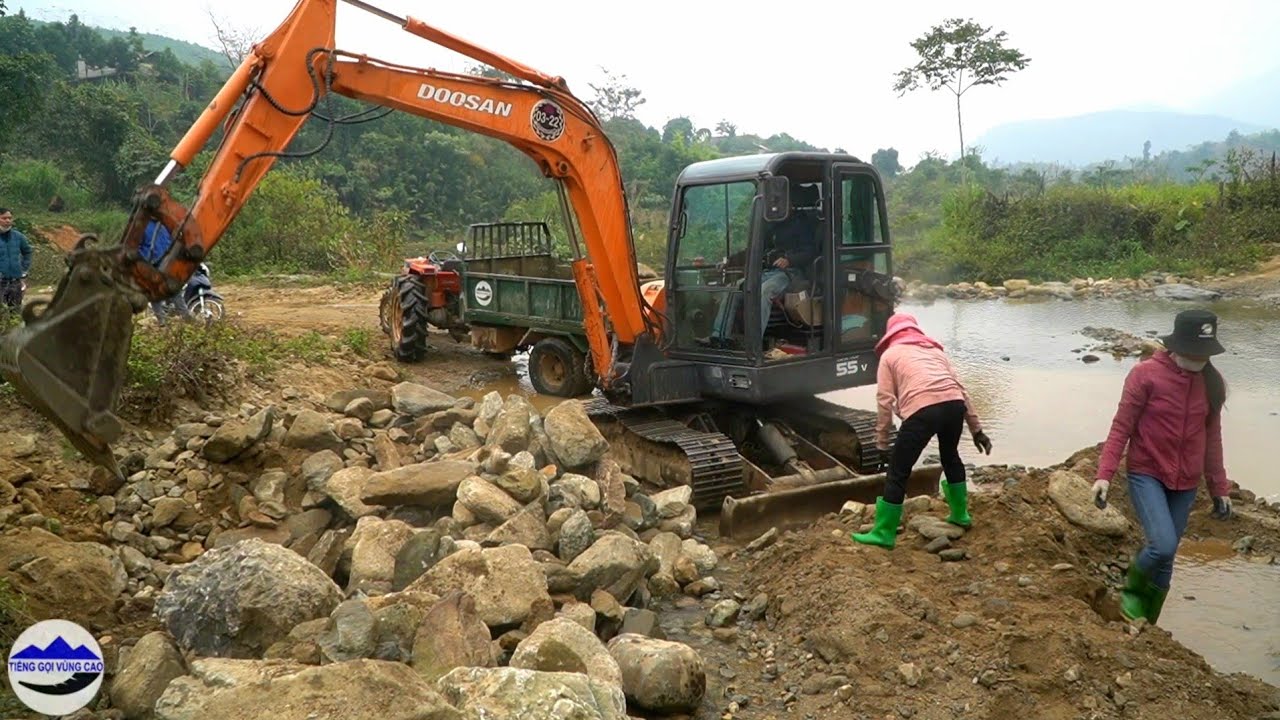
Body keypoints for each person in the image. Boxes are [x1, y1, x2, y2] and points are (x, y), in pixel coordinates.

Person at [1093, 308, 1232, 625]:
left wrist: (1219, 488)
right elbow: (1121, 428)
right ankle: (1130, 600)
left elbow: (1213, 439)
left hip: (1186, 482)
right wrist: (1104, 475)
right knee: (1163, 544)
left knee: (1167, 558)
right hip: (1148, 473)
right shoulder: (1145, 375)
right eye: (1195, 352)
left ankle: (1148, 623)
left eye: (1205, 354)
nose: (1200, 360)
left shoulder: (1212, 383)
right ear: (1177, 347)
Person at [852, 312, 991, 549]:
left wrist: (882, 443)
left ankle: (884, 533)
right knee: (950, 456)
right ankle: (960, 515)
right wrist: (977, 430)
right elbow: (961, 390)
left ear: (891, 334)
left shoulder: (890, 355)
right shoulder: (936, 352)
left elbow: (885, 400)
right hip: (954, 405)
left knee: (898, 470)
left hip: (922, 411)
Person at [705, 184, 820, 346]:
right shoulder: (772, 226)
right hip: (769, 272)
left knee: (764, 291)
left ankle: (753, 342)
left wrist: (790, 259)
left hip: (791, 273)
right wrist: (728, 261)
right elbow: (754, 249)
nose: (774, 207)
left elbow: (810, 251)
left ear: (790, 204)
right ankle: (719, 336)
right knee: (734, 289)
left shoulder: (803, 224)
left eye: (779, 203)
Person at [138, 219, 192, 325]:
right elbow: (137, 247)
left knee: (173, 290)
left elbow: (170, 242)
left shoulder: (163, 225)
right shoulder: (143, 227)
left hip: (167, 263)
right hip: (152, 264)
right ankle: (162, 320)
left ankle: (185, 316)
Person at [0, 207, 33, 313]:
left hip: (15, 281)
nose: (8, 220)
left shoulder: (18, 236)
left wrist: (24, 268)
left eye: (10, 218)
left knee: (15, 312)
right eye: (4, 218)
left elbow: (27, 251)